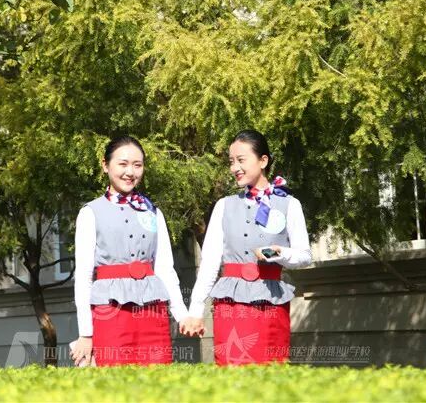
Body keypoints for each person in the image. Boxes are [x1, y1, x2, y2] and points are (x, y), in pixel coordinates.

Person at [181, 130, 312, 365]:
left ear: (263, 161)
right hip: (231, 304)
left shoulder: (289, 204)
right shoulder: (224, 206)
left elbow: (304, 256)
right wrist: (196, 310)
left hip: (270, 302)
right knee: (231, 374)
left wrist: (278, 253)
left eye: (241, 160)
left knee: (270, 373)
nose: (235, 168)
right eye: (231, 161)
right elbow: (210, 263)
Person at [70, 136, 188, 367]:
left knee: (159, 379)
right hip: (110, 312)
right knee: (114, 379)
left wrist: (182, 315)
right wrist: (85, 333)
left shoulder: (153, 212)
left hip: (152, 311)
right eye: (122, 164)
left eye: (137, 165)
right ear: (105, 165)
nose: (130, 172)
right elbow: (83, 277)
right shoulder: (90, 212)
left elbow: (165, 268)